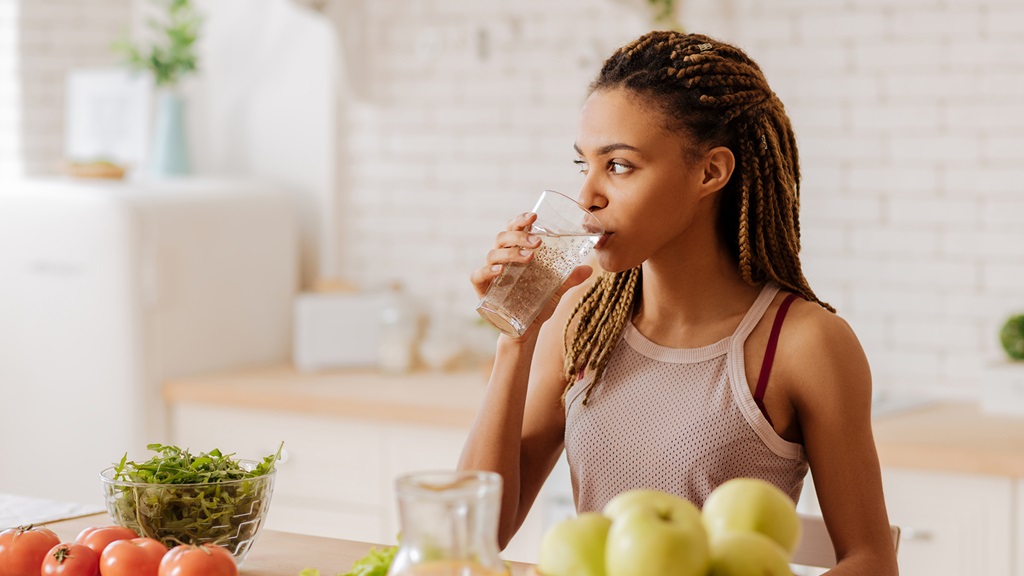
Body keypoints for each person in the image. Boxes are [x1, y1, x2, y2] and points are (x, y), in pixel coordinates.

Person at [460, 30, 898, 575]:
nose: (588, 195)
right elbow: (473, 537)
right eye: (584, 166)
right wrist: (515, 338)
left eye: (618, 165)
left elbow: (871, 561)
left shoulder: (803, 343)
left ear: (710, 171)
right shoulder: (580, 316)